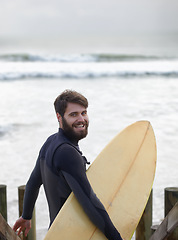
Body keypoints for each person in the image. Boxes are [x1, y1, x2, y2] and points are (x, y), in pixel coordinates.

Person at [13, 90, 124, 240]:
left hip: (56, 233)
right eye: (73, 114)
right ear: (59, 117)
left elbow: (33, 183)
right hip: (74, 235)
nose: (81, 119)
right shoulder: (67, 153)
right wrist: (116, 238)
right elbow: (90, 203)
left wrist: (26, 216)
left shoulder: (50, 142)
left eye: (83, 113)